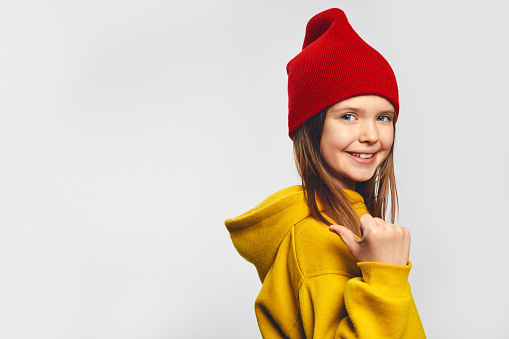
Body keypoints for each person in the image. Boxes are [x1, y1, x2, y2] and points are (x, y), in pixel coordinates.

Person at [225, 8, 426, 338]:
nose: (371, 135)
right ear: (312, 126)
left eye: (384, 117)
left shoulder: (345, 218)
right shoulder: (318, 237)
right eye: (348, 116)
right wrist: (386, 277)